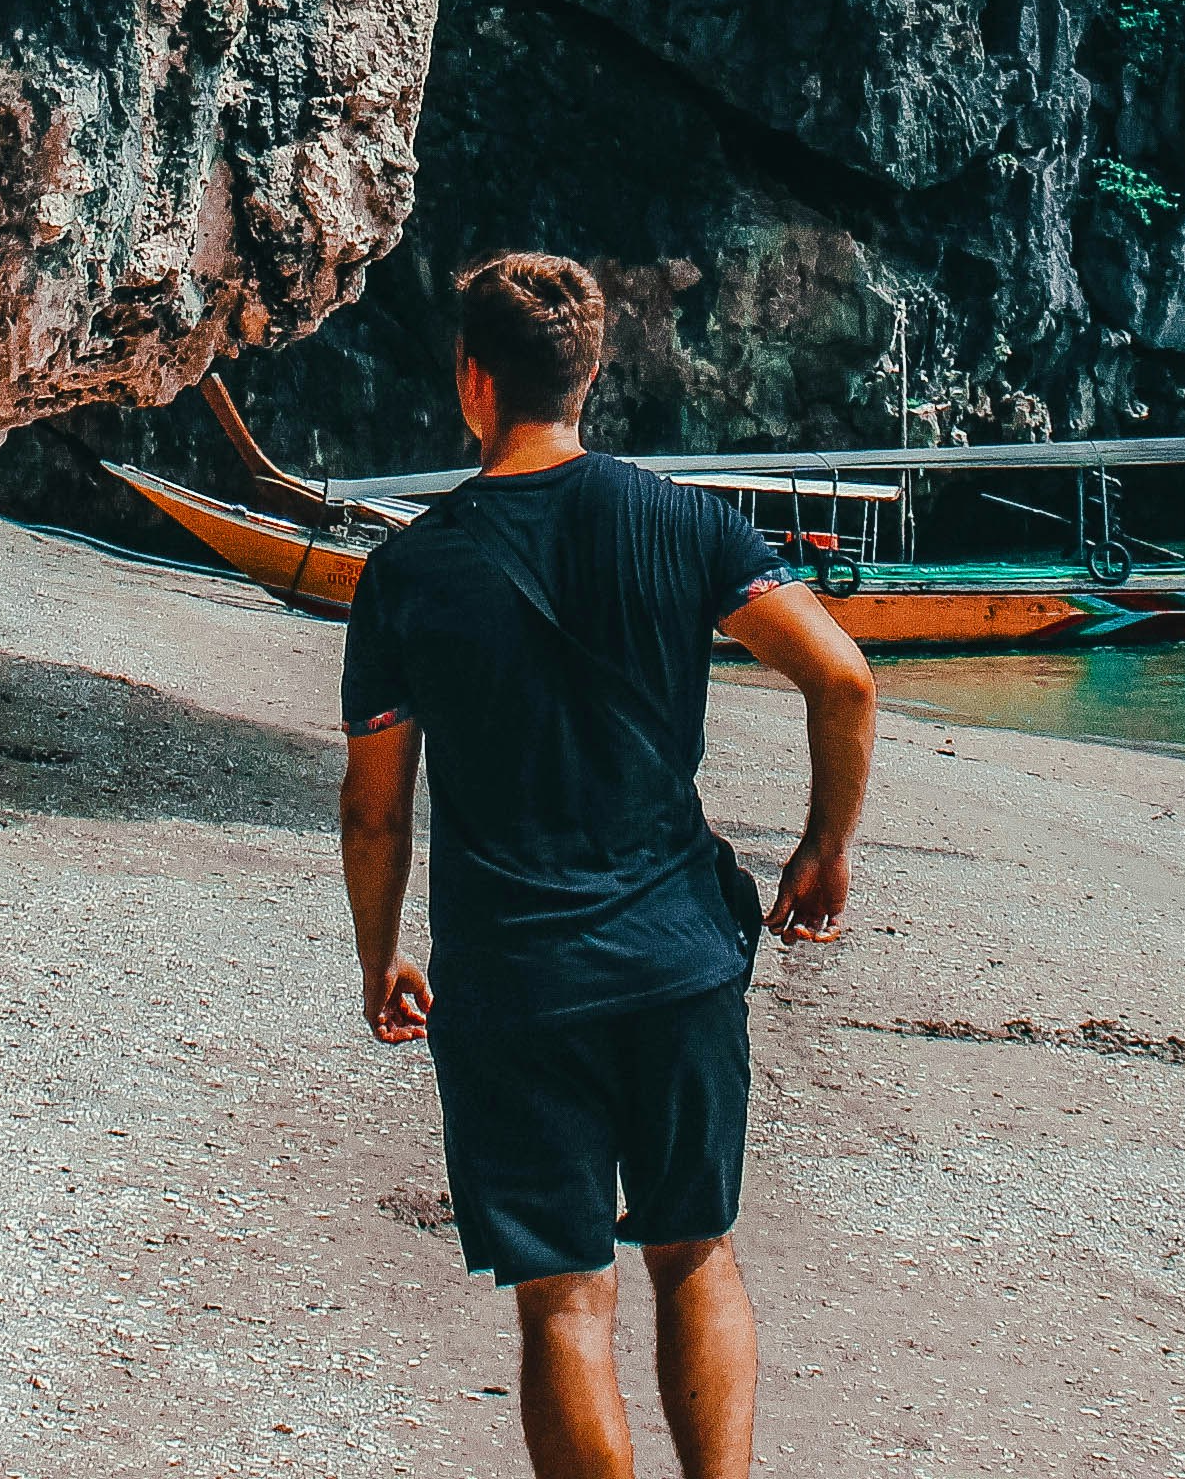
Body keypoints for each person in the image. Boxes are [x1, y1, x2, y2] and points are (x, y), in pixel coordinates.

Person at [338, 255, 876, 1479]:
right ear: (591, 377)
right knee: (697, 1252)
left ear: (474, 381)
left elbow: (376, 813)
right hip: (678, 962)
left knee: (565, 1298)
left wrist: (382, 955)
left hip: (515, 982)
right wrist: (824, 847)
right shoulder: (687, 525)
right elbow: (843, 679)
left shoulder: (411, 573)